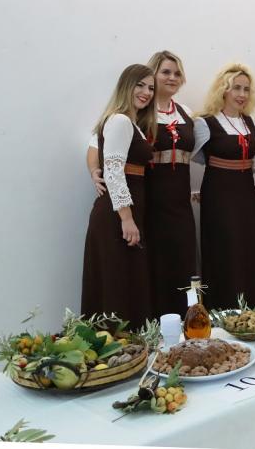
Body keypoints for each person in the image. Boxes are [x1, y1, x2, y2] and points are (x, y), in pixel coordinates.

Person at [88, 51, 197, 315]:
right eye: (165, 72)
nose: (171, 77)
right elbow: (98, 148)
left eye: (177, 73)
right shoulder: (130, 117)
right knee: (144, 267)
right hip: (148, 199)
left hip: (178, 201)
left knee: (181, 260)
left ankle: (185, 322)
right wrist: (94, 172)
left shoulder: (186, 113)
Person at [81, 64, 157, 328]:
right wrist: (126, 217)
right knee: (116, 284)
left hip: (125, 212)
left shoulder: (131, 123)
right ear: (126, 85)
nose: (146, 92)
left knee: (126, 281)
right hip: (116, 216)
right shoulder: (120, 120)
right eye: (140, 85)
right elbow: (114, 171)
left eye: (151, 88)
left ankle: (128, 345)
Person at [192, 63, 255, 310]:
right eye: (236, 88)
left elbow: (254, 159)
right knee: (224, 248)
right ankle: (223, 308)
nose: (242, 94)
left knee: (246, 248)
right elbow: (193, 155)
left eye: (246, 89)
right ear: (223, 90)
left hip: (246, 193)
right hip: (219, 194)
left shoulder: (249, 122)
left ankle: (249, 309)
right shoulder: (205, 123)